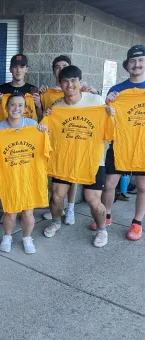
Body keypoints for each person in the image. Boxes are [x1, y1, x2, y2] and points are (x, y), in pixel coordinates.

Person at [42, 65, 114, 248]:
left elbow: (111, 130)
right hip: (65, 159)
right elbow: (48, 131)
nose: (70, 85)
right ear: (59, 83)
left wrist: (112, 115)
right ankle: (56, 222)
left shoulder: (96, 101)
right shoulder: (57, 107)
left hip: (92, 160)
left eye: (74, 80)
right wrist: (46, 118)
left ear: (80, 82)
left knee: (92, 200)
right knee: (57, 196)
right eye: (65, 81)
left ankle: (102, 229)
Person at [33, 55, 98, 225]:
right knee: (57, 190)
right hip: (61, 149)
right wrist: (41, 109)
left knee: (83, 189)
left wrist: (99, 95)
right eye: (58, 67)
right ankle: (57, 217)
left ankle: (73, 211)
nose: (69, 84)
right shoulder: (50, 97)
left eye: (73, 80)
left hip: (84, 150)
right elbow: (44, 121)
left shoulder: (90, 96)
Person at [0, 93, 48, 254]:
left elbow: (44, 146)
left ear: (25, 109)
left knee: (28, 212)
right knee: (10, 211)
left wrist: (43, 131)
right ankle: (7, 236)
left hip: (29, 176)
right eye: (12, 105)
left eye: (20, 105)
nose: (16, 108)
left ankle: (26, 238)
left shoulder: (33, 126)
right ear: (6, 107)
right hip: (9, 176)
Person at [100, 45, 145, 240]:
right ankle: (106, 216)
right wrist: (108, 103)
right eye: (133, 61)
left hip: (143, 145)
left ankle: (137, 223)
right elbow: (105, 119)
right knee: (109, 183)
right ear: (127, 65)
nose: (137, 64)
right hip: (120, 144)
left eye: (141, 60)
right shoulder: (117, 90)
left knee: (143, 187)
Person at [0, 54, 42, 119]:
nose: (18, 70)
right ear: (10, 69)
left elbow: (40, 117)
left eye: (22, 67)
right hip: (7, 128)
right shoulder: (1, 90)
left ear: (26, 69)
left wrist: (38, 105)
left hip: (28, 128)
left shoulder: (33, 90)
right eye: (15, 67)